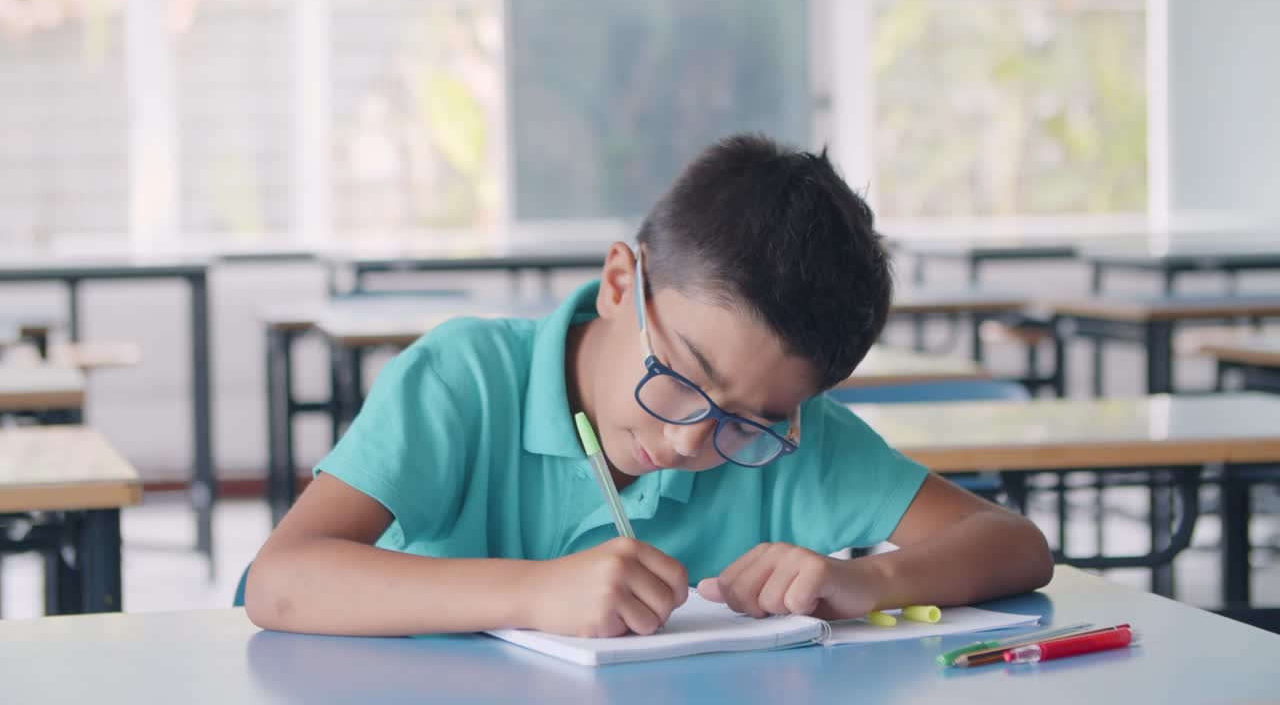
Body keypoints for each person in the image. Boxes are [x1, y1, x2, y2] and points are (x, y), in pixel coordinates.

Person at [245, 134, 1053, 638]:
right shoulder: (465, 380)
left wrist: (870, 580)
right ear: (620, 281)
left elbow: (1016, 545)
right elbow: (281, 584)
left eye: (751, 420)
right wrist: (533, 594)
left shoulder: (792, 443)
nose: (687, 442)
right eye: (681, 377)